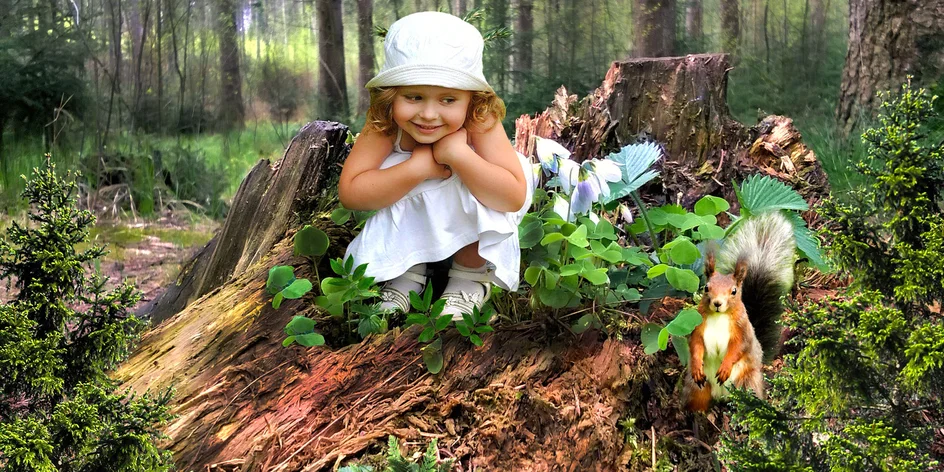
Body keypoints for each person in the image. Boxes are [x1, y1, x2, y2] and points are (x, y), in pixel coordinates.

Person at [339, 11, 532, 320]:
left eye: (448, 100)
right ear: (391, 96)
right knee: (394, 170)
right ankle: (406, 270)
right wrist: (419, 168)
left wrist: (461, 156)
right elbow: (351, 192)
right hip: (414, 212)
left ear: (472, 98)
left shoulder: (479, 117)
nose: (429, 114)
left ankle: (469, 274)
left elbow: (512, 196)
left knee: (477, 178)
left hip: (476, 203)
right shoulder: (386, 122)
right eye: (414, 97)